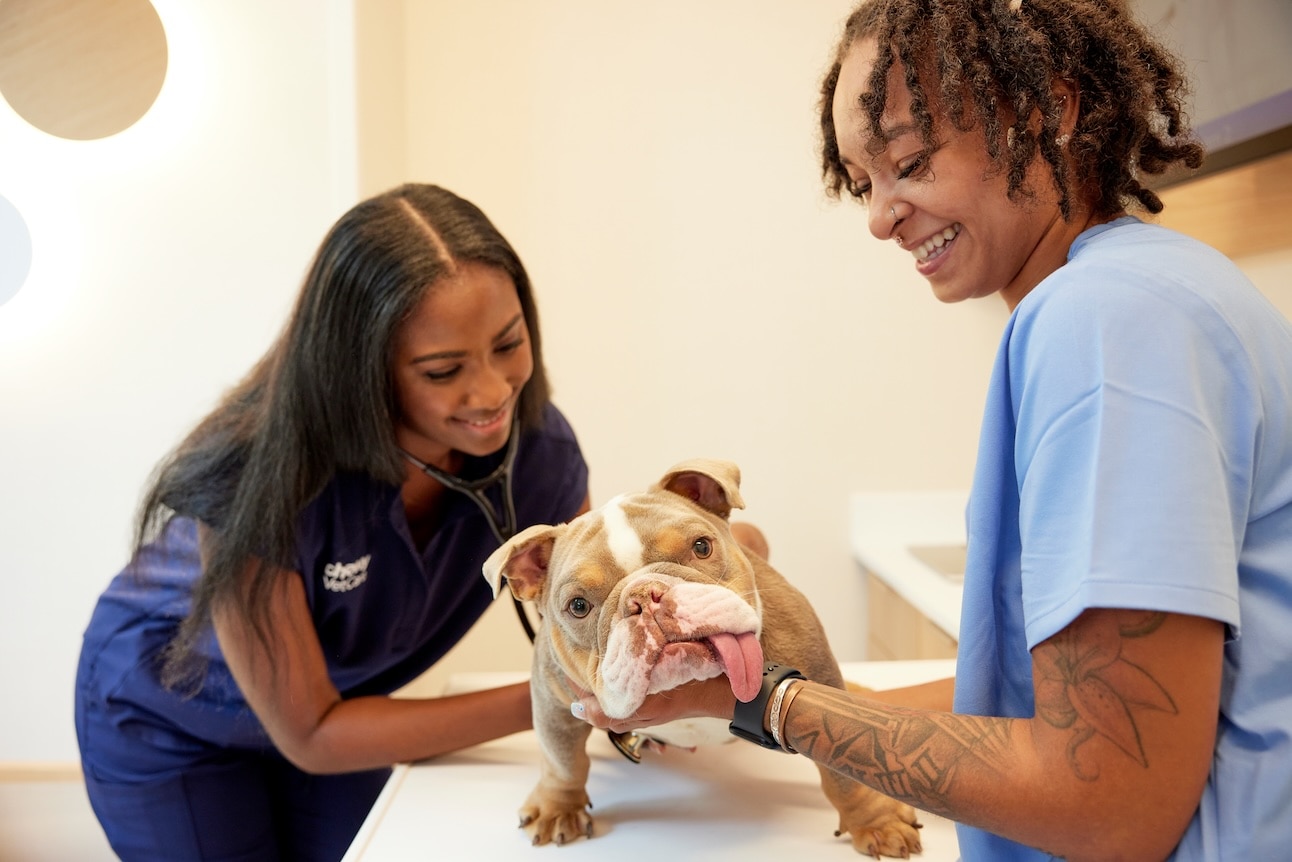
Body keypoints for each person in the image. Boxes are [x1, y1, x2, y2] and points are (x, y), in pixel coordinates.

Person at [571, 1, 1292, 860]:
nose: (880, 216)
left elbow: (1112, 802)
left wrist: (769, 708)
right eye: (862, 181)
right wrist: (733, 698)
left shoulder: (1104, 323)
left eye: (909, 161)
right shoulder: (1157, 287)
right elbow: (1037, 705)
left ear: (1048, 111)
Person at [74, 183, 591, 861]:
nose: (492, 392)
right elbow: (312, 735)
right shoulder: (257, 474)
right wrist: (560, 696)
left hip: (340, 710)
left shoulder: (539, 454)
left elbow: (594, 612)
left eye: (508, 343)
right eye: (443, 370)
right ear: (361, 369)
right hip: (172, 722)